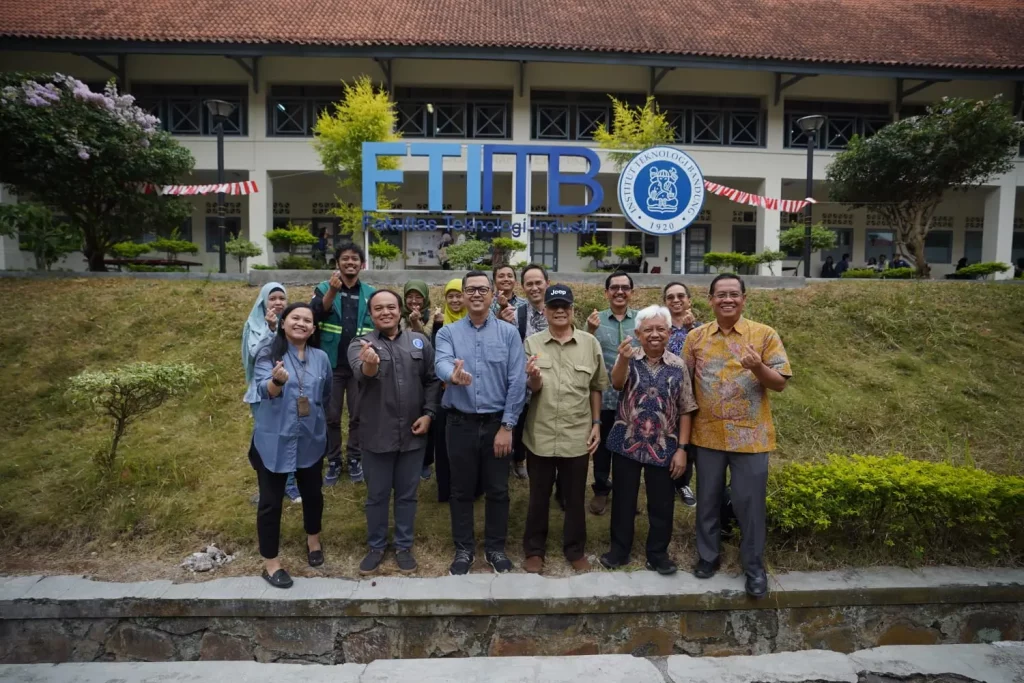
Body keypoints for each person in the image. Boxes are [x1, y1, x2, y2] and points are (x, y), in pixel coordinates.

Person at [684, 273, 792, 599]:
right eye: (721, 294)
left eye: (734, 294)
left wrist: (757, 367)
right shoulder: (696, 337)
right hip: (707, 436)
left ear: (744, 298)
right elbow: (685, 385)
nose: (727, 299)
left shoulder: (763, 335)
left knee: (750, 506)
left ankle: (754, 568)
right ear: (711, 299)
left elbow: (780, 383)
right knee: (708, 501)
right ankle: (708, 556)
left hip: (751, 438)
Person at [434, 270, 527, 575]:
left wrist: (507, 426)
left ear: (492, 294)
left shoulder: (509, 333)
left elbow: (517, 380)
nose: (475, 294)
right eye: (469, 289)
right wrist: (452, 375)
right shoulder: (447, 333)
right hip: (459, 423)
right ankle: (463, 550)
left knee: (498, 489)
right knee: (460, 490)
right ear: (461, 295)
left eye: (482, 289)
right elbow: (442, 362)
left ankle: (495, 549)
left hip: (496, 424)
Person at [599, 305, 697, 576]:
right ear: (638, 333)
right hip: (627, 440)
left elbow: (687, 408)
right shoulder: (630, 357)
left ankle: (657, 554)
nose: (655, 334)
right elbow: (617, 384)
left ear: (668, 332)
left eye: (660, 329)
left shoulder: (678, 365)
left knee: (662, 502)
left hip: (664, 444)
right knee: (623, 499)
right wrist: (622, 359)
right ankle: (619, 551)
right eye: (648, 330)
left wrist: (682, 450)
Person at [349, 289, 440, 575]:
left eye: (390, 307)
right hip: (376, 435)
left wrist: (428, 414)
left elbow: (432, 380)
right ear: (371, 313)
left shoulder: (419, 341)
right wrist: (371, 364)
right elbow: (361, 373)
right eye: (379, 308)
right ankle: (376, 546)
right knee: (376, 496)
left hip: (413, 434)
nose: (385, 312)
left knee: (407, 495)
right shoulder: (360, 344)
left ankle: (403, 546)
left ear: (400, 310)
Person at [522, 285, 608, 574]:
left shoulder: (589, 343)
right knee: (538, 497)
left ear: (573, 310)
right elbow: (531, 390)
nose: (560, 311)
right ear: (545, 310)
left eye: (565, 306)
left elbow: (596, 387)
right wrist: (533, 378)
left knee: (574, 497)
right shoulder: (532, 344)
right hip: (541, 433)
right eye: (554, 306)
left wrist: (596, 424)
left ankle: (575, 550)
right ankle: (534, 550)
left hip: (577, 433)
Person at [250, 303, 332, 589]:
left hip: (310, 438)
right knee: (271, 502)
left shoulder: (321, 358)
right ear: (283, 323)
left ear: (313, 328)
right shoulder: (268, 353)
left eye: (307, 320)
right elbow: (262, 389)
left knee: (313, 494)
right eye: (295, 318)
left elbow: (326, 393)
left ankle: (313, 541)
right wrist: (277, 382)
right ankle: (271, 563)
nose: (301, 323)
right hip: (274, 439)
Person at [312, 242, 375, 486]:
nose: (350, 263)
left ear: (362, 264)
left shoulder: (370, 292)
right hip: (331, 363)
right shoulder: (324, 287)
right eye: (345, 259)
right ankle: (335, 460)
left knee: (359, 415)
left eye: (355, 259)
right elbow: (315, 314)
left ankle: (355, 458)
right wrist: (332, 292)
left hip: (360, 364)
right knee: (331, 416)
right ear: (337, 263)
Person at [243, 282, 301, 503]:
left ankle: (290, 484)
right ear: (263, 301)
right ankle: (268, 486)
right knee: (267, 440)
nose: (278, 302)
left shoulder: (291, 324)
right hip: (262, 392)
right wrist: (270, 330)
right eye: (273, 298)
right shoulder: (254, 325)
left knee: (290, 434)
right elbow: (254, 354)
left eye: (282, 298)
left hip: (290, 391)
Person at [585, 271, 637, 516]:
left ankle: (627, 494)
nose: (619, 291)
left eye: (624, 287)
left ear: (631, 292)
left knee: (630, 448)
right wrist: (589, 330)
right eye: (614, 287)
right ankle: (601, 489)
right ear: (606, 292)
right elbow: (584, 349)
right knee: (603, 448)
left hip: (634, 398)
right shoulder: (595, 320)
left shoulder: (642, 320)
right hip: (604, 397)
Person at [504, 263, 550, 481]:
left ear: (547, 284)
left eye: (538, 283)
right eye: (529, 284)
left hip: (553, 384)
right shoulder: (516, 315)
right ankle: (519, 459)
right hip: (524, 383)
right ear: (523, 287)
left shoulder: (560, 310)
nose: (534, 288)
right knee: (520, 424)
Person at [431, 278, 469, 503]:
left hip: (469, 386)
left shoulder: (474, 321)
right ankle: (445, 489)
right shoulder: (440, 322)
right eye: (450, 296)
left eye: (458, 295)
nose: (455, 300)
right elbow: (434, 353)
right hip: (443, 389)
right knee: (444, 441)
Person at [663, 282, 701, 507]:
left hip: (693, 394)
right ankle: (664, 479)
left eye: (680, 296)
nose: (676, 300)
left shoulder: (700, 329)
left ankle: (683, 482)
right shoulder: (661, 327)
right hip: (665, 392)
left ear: (689, 300)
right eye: (670, 297)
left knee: (689, 441)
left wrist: (690, 329)